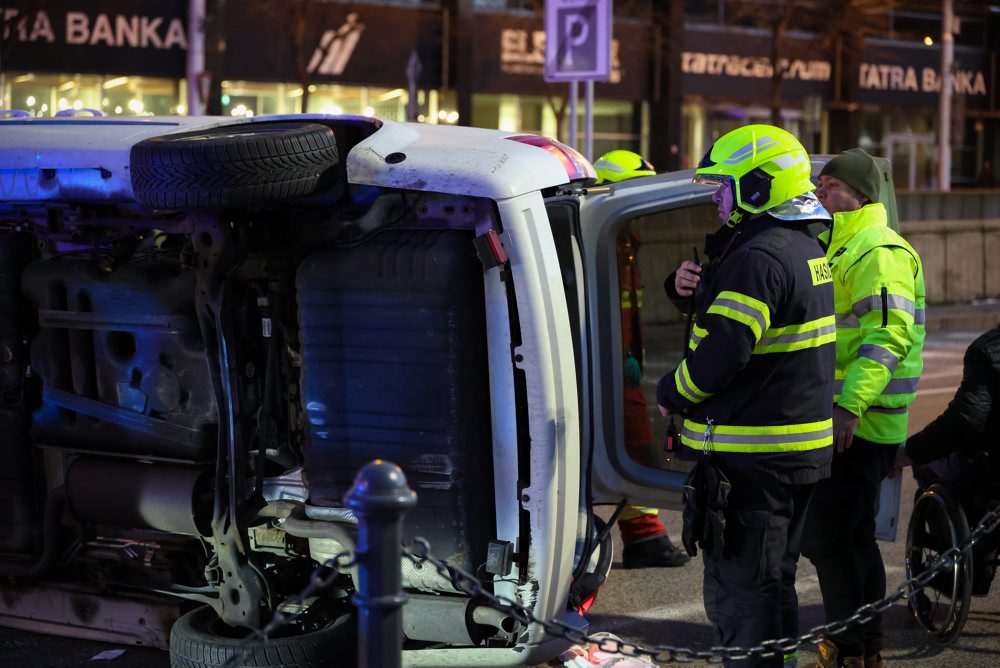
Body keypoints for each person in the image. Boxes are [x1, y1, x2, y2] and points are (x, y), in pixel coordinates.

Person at [657, 125, 835, 667]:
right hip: (792, 456)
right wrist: (689, 289)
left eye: (724, 186)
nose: (716, 198)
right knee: (774, 586)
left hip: (754, 461)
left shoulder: (758, 257)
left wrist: (673, 392)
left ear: (758, 188)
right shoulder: (801, 245)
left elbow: (725, 351)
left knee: (743, 597)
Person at [801, 148, 925, 668]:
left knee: (830, 537)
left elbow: (888, 336)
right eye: (819, 185)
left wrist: (849, 406)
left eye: (830, 186)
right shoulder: (841, 244)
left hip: (861, 421)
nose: (820, 193)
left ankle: (850, 648)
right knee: (848, 537)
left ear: (859, 194)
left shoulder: (876, 247)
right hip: (854, 417)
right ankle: (862, 649)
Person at [594, 149, 689, 568]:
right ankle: (644, 535)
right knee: (632, 444)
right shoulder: (610, 239)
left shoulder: (626, 238)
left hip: (621, 362)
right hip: (610, 364)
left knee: (633, 442)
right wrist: (620, 356)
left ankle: (644, 534)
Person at [899, 323, 1000, 596]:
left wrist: (911, 451)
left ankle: (968, 570)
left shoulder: (988, 350)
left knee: (929, 465)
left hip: (990, 474)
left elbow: (966, 420)